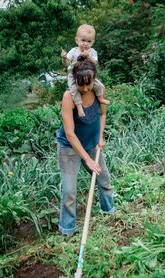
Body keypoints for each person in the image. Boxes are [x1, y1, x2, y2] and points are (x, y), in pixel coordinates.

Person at [56, 56, 114, 236]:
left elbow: (102, 115)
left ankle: (109, 214)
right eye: (81, 85)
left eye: (89, 84)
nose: (86, 88)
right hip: (69, 148)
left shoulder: (99, 89)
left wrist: (100, 137)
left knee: (104, 180)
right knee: (69, 191)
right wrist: (87, 159)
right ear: (75, 81)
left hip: (92, 144)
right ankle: (67, 231)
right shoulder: (69, 96)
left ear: (94, 78)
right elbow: (70, 133)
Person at [61, 24, 109, 118]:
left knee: (99, 85)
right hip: (74, 75)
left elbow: (95, 63)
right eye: (83, 40)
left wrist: (88, 57)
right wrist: (64, 58)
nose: (86, 44)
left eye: (89, 41)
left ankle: (100, 98)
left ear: (93, 42)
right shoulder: (74, 51)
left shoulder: (92, 52)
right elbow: (66, 64)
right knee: (74, 90)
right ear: (77, 40)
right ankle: (79, 107)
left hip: (88, 75)